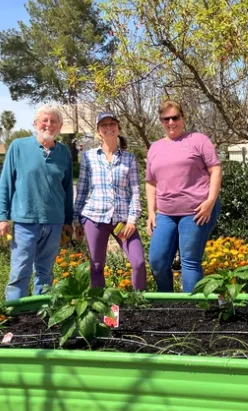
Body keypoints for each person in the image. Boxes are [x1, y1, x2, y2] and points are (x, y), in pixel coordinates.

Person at [146, 100, 222, 293]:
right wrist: (151, 212)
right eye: (166, 119)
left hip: (196, 211)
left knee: (189, 260)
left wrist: (210, 202)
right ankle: (167, 303)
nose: (171, 122)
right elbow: (150, 182)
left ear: (183, 118)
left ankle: (191, 309)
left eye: (175, 117)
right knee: (157, 261)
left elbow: (215, 170)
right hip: (166, 213)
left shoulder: (198, 140)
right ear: (161, 121)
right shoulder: (155, 148)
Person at [0, 104, 74, 301]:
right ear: (35, 123)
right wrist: (3, 217)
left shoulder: (64, 153)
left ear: (60, 126)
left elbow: (67, 189)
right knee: (19, 272)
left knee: (45, 273)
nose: (49, 124)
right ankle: (14, 317)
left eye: (54, 121)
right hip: (25, 221)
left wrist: (68, 220)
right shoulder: (18, 147)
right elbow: (5, 183)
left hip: (54, 222)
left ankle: (40, 316)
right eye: (45, 120)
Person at [74, 112, 147, 290]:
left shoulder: (129, 158)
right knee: (97, 266)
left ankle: (139, 302)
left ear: (118, 128)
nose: (108, 128)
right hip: (95, 219)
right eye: (103, 125)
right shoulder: (89, 157)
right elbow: (82, 190)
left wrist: (132, 220)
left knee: (138, 263)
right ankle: (100, 306)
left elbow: (135, 192)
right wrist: (77, 221)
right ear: (98, 131)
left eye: (111, 124)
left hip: (121, 222)